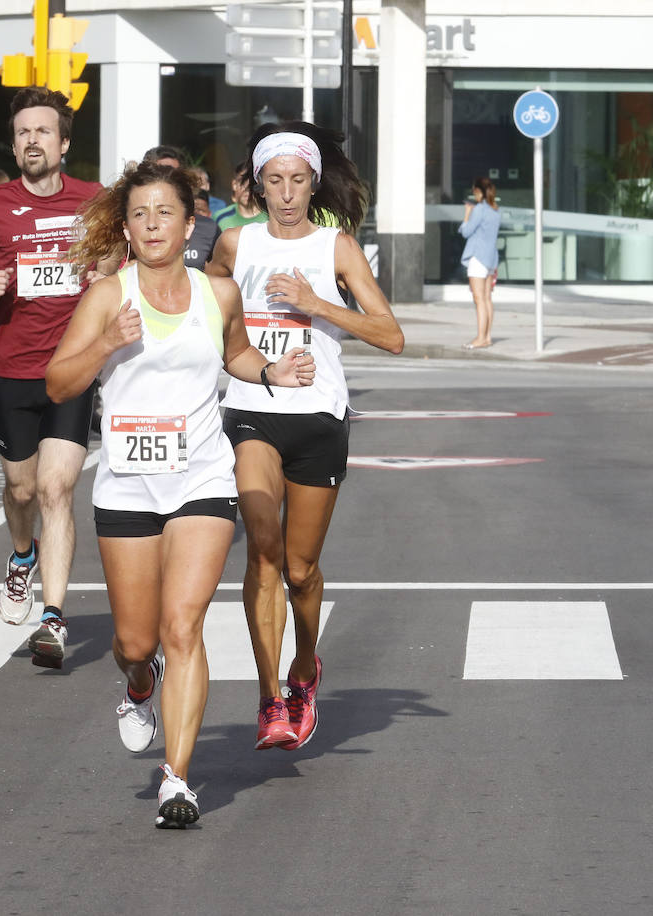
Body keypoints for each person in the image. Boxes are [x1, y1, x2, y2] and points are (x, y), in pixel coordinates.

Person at [47, 161, 314, 827]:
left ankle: (177, 779)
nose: (152, 225)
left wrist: (271, 371)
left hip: (200, 476)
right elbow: (57, 384)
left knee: (181, 626)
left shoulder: (216, 292)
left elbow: (235, 355)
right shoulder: (109, 296)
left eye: (164, 213)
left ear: (189, 222)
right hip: (129, 485)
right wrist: (106, 342)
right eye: (139, 216)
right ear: (127, 230)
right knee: (137, 643)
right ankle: (139, 684)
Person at [207, 122, 404, 750]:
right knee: (261, 549)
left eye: (297, 181)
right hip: (253, 407)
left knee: (300, 568)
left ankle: (306, 663)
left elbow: (391, 335)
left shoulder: (336, 247)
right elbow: (199, 312)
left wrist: (317, 303)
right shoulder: (235, 244)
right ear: (256, 186)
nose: (287, 194)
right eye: (274, 181)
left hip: (319, 417)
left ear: (313, 182)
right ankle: (269, 698)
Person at [0, 86, 109, 666]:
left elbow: (119, 264)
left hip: (70, 367)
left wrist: (104, 270)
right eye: (22, 133)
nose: (32, 140)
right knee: (21, 489)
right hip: (12, 367)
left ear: (63, 143)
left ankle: (54, 619)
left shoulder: (95, 201)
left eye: (43, 131)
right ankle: (20, 556)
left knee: (56, 489)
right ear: (14, 147)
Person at [459, 176, 500, 349]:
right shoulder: (496, 210)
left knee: (479, 300)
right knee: (487, 299)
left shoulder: (480, 209)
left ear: (478, 192)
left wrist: (467, 214)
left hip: (478, 258)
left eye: (474, 191)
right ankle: (488, 337)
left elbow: (466, 232)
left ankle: (480, 338)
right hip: (491, 258)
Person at [213, 161, 267, 231]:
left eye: (251, 183)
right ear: (234, 185)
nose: (247, 188)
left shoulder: (270, 216)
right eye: (243, 182)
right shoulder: (220, 218)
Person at [183, 189, 219, 270]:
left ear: (210, 213)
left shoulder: (212, 228)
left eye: (202, 211)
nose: (198, 214)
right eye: (194, 210)